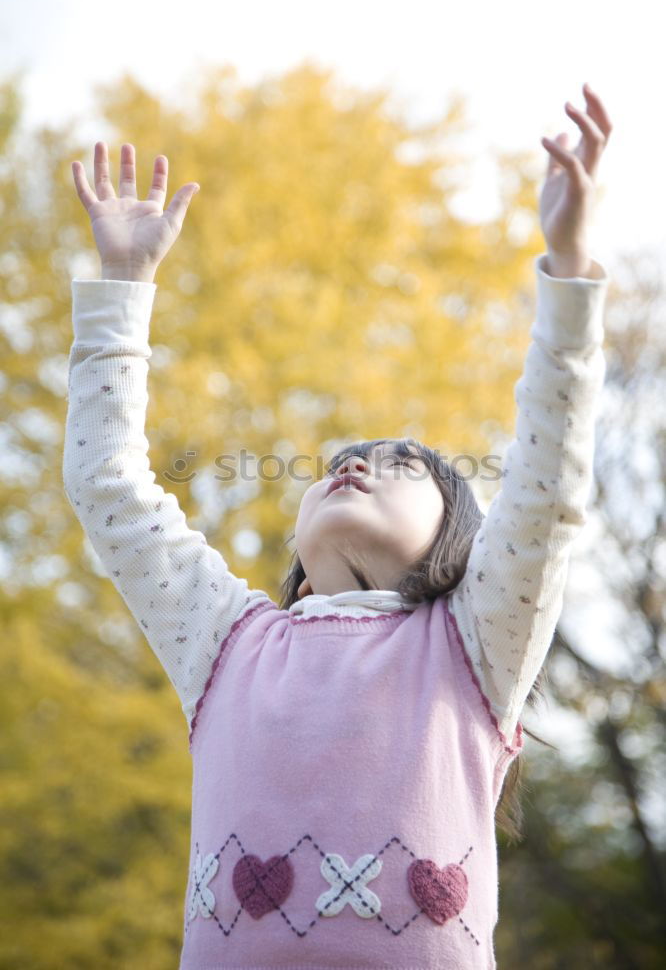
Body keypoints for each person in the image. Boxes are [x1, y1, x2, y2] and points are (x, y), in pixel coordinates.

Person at [64, 82, 612, 969]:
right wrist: (122, 290)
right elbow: (108, 487)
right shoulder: (225, 645)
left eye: (405, 464)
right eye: (338, 465)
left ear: (457, 544)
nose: (353, 465)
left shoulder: (475, 646)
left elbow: (549, 490)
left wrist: (572, 270)